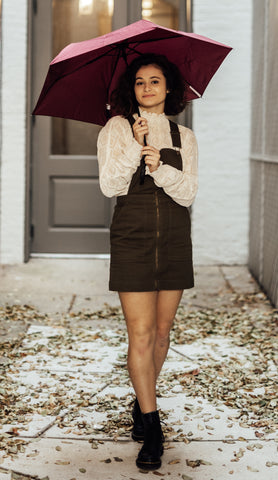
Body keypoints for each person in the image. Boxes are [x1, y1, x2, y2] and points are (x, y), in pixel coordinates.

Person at [97, 53, 198, 471]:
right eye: (139, 82)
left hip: (174, 237)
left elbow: (189, 192)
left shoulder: (184, 135)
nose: (147, 88)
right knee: (139, 334)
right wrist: (135, 150)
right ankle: (152, 428)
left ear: (168, 87)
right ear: (132, 89)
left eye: (155, 81)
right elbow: (109, 185)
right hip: (132, 237)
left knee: (161, 332)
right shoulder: (117, 128)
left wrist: (161, 167)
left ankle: (143, 401)